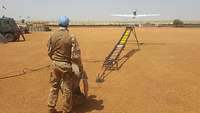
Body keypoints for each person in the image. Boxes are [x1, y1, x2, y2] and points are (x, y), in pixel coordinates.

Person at [47, 16, 88, 113]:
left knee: (54, 86)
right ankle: (66, 110)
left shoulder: (51, 35)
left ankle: (51, 107)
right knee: (67, 89)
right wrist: (80, 67)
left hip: (54, 64)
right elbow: (76, 56)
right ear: (67, 24)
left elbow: (49, 51)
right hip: (65, 66)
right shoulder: (71, 37)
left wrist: (54, 60)